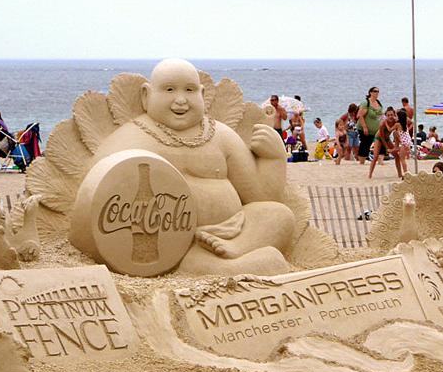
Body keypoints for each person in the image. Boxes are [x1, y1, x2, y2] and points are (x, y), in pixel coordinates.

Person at [93, 59, 295, 271]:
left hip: (232, 229)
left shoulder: (221, 136)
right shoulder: (132, 137)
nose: (181, 100)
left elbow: (260, 196)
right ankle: (200, 262)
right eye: (169, 90)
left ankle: (234, 249)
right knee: (269, 259)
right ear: (147, 95)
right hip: (167, 239)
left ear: (202, 94)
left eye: (189, 90)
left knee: (280, 215)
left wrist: (274, 158)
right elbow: (96, 192)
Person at [369, 107, 401, 179]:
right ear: (386, 116)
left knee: (397, 156)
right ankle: (370, 174)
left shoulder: (395, 122)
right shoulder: (383, 124)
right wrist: (387, 148)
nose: (390, 117)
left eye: (391, 115)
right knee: (375, 156)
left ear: (394, 115)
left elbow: (397, 132)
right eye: (388, 115)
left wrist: (397, 145)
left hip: (387, 138)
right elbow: (382, 137)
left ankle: (400, 174)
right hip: (379, 138)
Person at [356, 87, 383, 164]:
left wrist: (387, 119)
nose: (376, 93)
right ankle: (362, 161)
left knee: (380, 144)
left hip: (376, 129)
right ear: (370, 92)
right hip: (366, 128)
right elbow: (360, 115)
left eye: (378, 91)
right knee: (365, 144)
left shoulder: (378, 103)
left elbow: (379, 116)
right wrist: (365, 128)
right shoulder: (366, 102)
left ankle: (380, 160)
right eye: (375, 91)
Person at [393, 109, 410, 175]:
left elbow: (390, 129)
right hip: (407, 143)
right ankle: (396, 146)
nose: (395, 117)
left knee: (402, 159)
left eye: (396, 116)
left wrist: (386, 123)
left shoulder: (398, 124)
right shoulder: (404, 124)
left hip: (404, 144)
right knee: (395, 133)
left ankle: (406, 173)